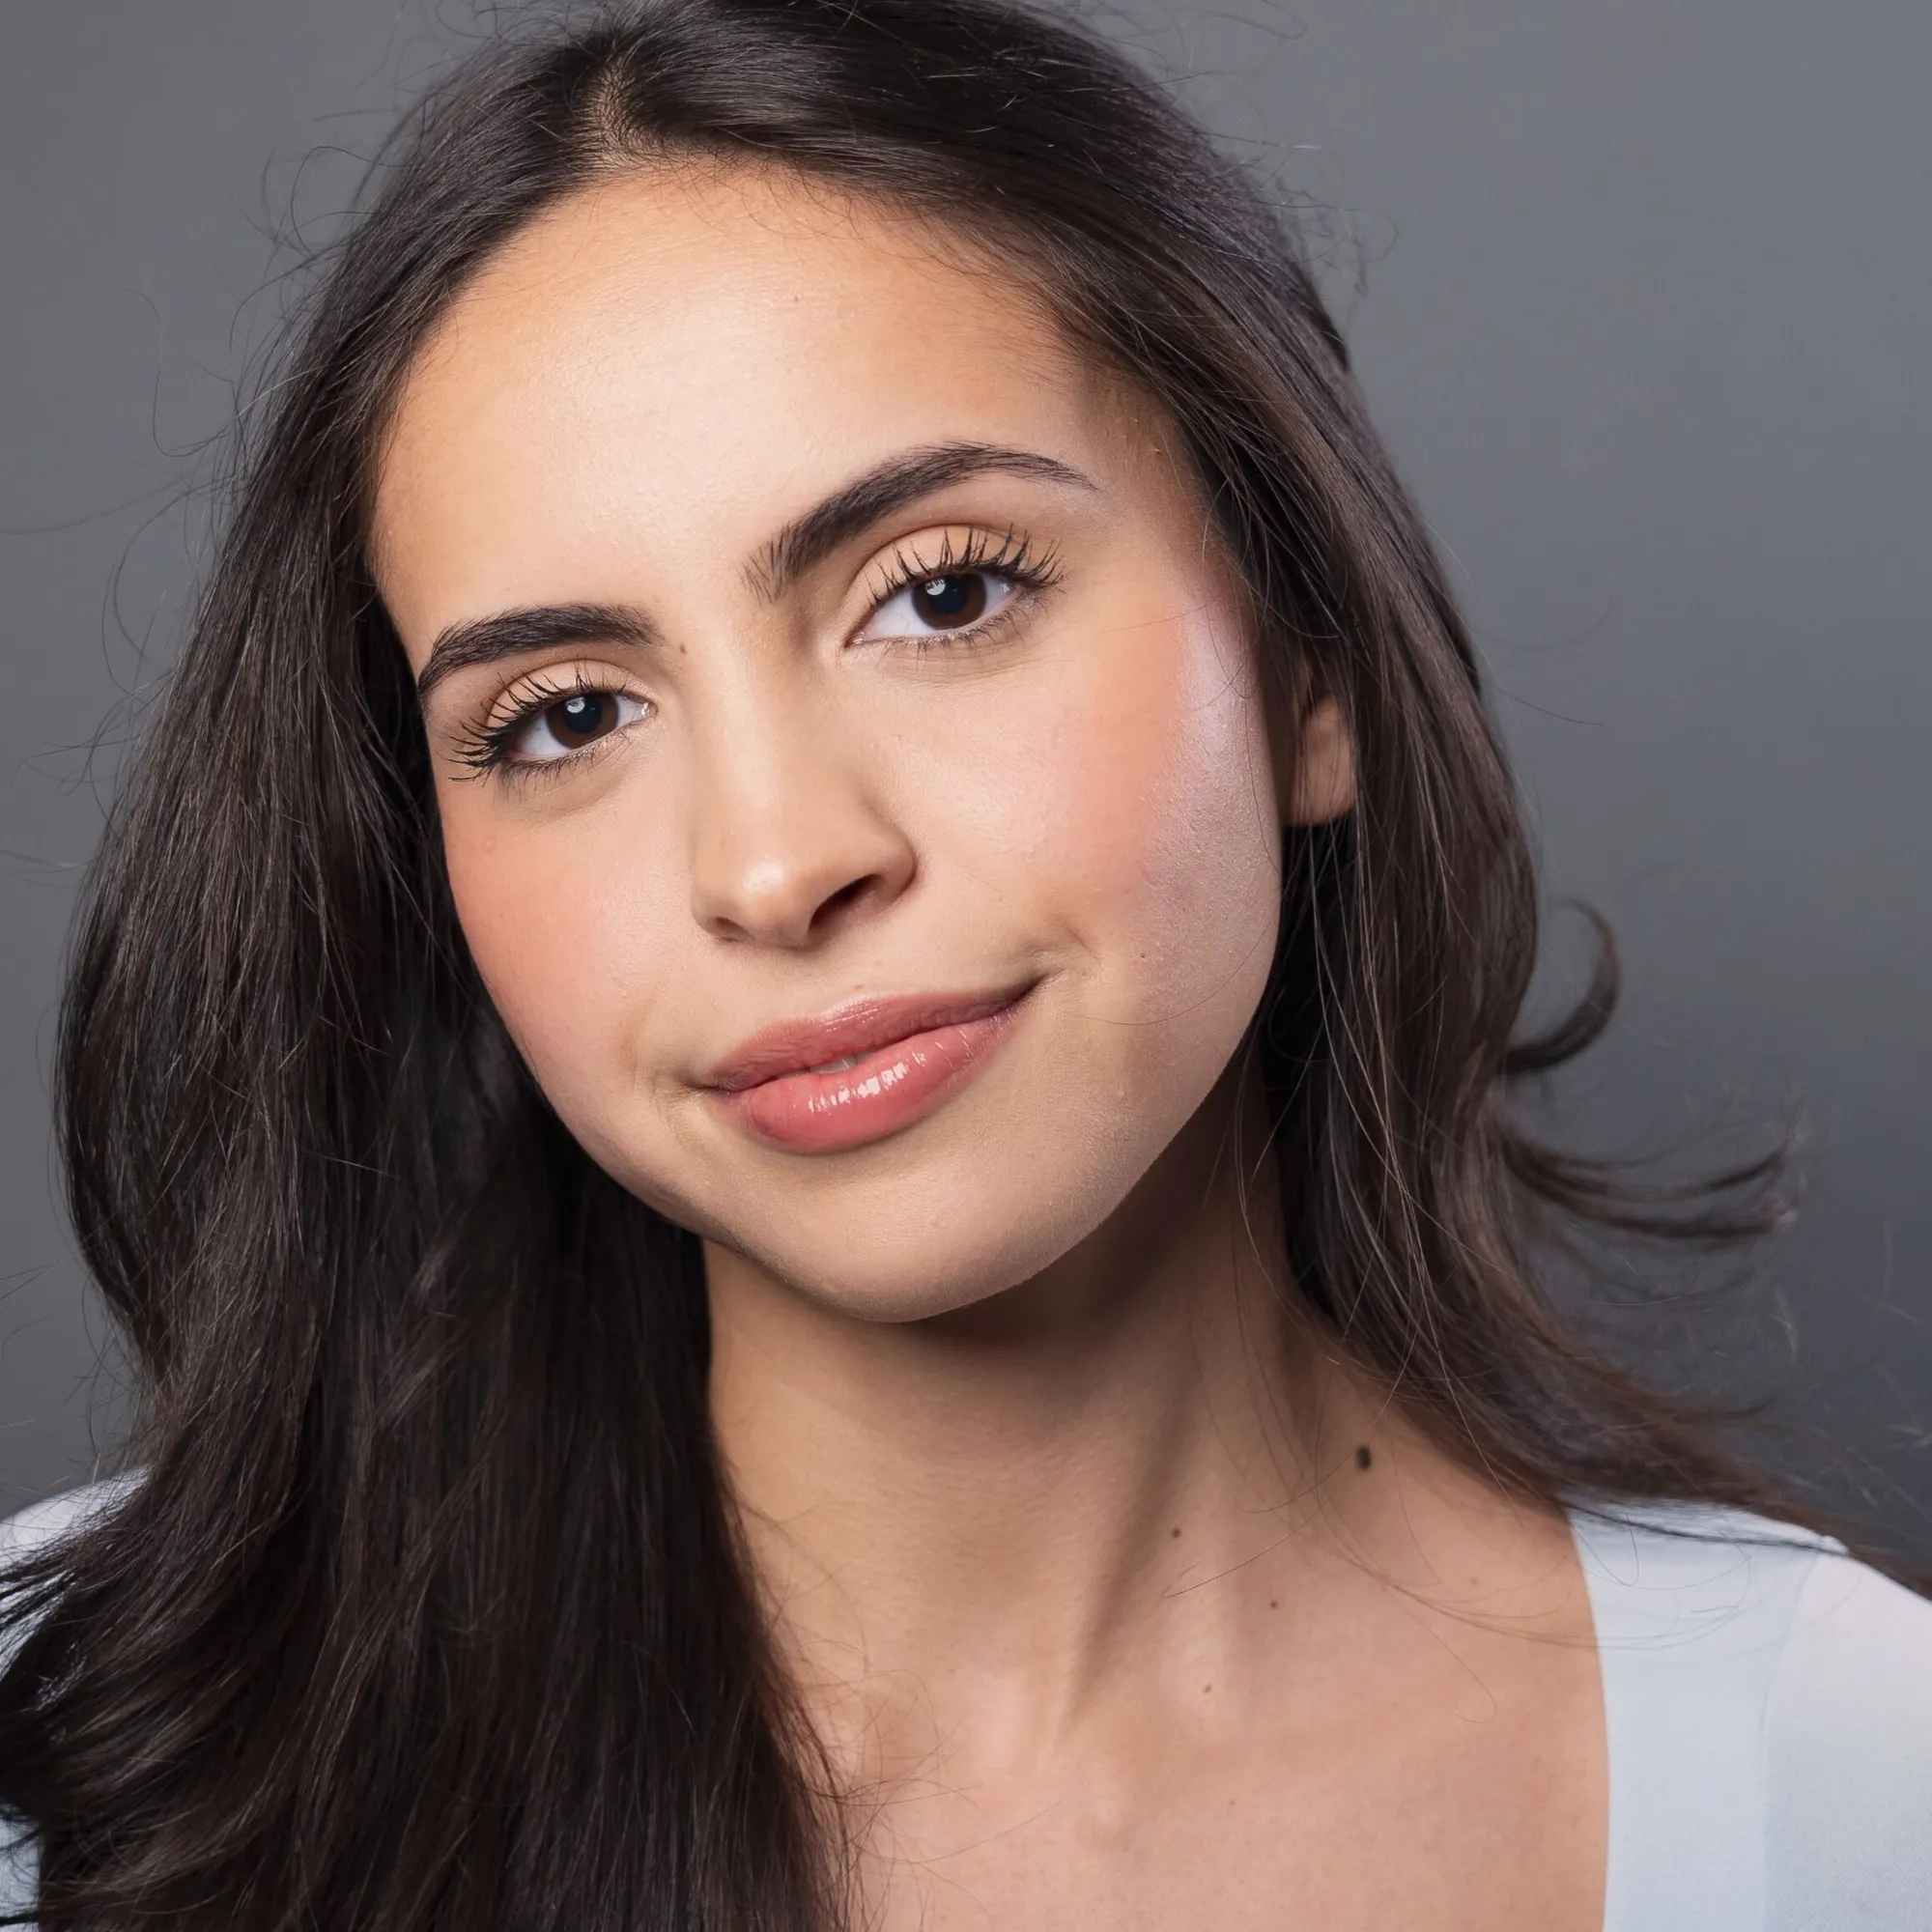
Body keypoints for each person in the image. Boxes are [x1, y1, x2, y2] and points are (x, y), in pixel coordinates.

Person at [1, 1, 1926, 1925]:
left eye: (941, 593)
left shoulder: (1849, 1793)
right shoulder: (77, 1764)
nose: (777, 862)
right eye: (569, 716)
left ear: (1309, 663)